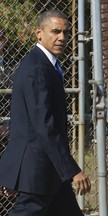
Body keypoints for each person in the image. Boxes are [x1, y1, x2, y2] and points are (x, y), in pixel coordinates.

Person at [0, 10, 91, 216]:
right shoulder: (37, 68)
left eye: (66, 33)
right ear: (38, 33)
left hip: (50, 172)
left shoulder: (44, 65)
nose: (62, 38)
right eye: (55, 31)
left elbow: (24, 123)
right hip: (39, 171)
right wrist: (72, 170)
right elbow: (44, 126)